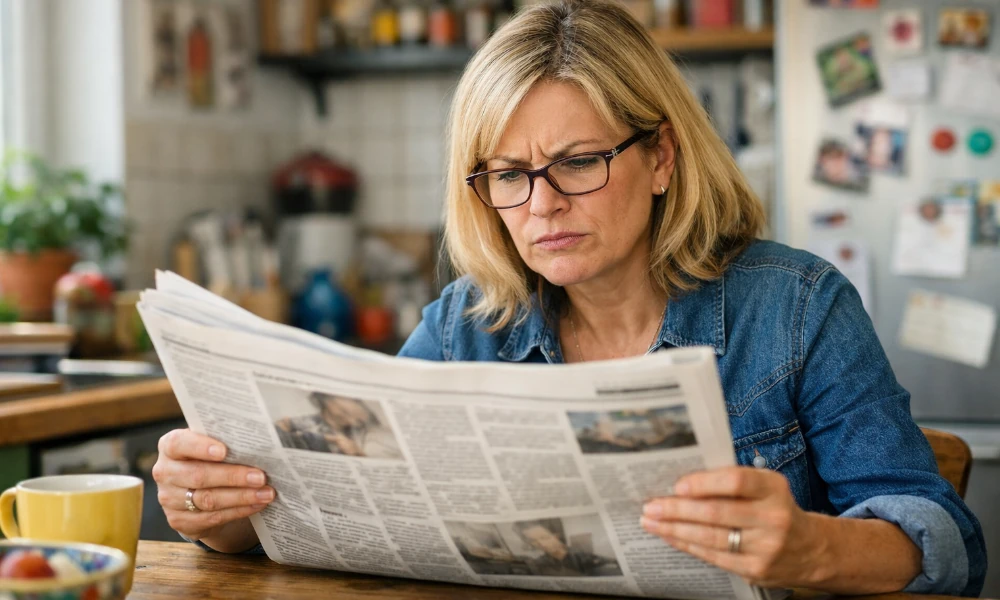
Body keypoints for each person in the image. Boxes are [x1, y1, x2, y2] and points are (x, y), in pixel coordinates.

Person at [151, 1, 987, 595]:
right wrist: (220, 513)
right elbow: (353, 516)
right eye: (509, 176)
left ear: (660, 157)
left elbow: (945, 540)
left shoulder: (798, 307)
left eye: (578, 162)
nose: (542, 205)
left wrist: (810, 548)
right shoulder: (463, 325)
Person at [273, 392, 402, 459]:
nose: (349, 420)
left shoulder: (355, 437)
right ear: (327, 399)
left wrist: (357, 453)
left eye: (358, 420)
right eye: (344, 411)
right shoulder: (303, 420)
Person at [511, 519, 620, 577]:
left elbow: (611, 563)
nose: (541, 545)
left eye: (545, 537)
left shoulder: (582, 556)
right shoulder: (538, 563)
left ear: (557, 535)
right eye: (533, 541)